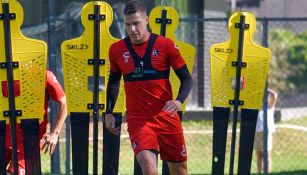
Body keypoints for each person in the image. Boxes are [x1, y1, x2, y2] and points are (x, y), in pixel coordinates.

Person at [105, 0, 193, 174]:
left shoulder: (166, 45)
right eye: (128, 25)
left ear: (146, 20)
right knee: (148, 168)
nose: (132, 29)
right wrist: (108, 112)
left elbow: (187, 79)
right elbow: (114, 82)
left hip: (167, 117)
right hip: (139, 120)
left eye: (136, 23)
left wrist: (178, 101)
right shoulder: (116, 50)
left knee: (180, 171)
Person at [4, 70, 67, 175]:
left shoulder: (44, 75)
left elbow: (63, 102)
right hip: (4, 139)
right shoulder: (4, 74)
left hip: (28, 143)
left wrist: (55, 133)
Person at [254, 88, 278, 173]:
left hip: (266, 133)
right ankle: (259, 172)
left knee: (267, 155)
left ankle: (267, 172)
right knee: (259, 155)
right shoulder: (257, 108)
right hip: (257, 133)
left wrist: (266, 89)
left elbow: (275, 95)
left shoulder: (270, 108)